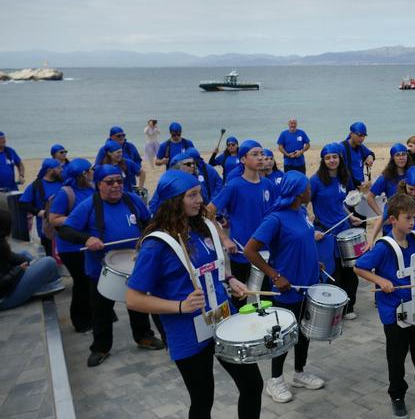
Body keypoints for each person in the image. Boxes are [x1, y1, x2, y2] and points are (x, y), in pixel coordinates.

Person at [126, 170, 261, 419]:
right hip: (187, 332)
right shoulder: (156, 244)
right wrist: (179, 306)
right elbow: (133, 299)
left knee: (253, 384)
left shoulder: (203, 227)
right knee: (202, 400)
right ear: (174, 200)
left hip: (222, 319)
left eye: (199, 193)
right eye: (192, 195)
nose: (200, 200)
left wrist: (230, 279)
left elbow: (217, 266)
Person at [57, 164, 165, 366]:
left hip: (134, 265)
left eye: (119, 181)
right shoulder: (88, 205)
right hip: (101, 269)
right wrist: (87, 238)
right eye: (110, 182)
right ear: (99, 184)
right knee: (101, 310)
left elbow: (148, 222)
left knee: (138, 304)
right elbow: (65, 231)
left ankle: (144, 336)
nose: (116, 185)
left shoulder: (133, 200)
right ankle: (101, 347)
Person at [354, 194, 415, 418]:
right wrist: (381, 281)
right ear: (393, 220)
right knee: (396, 357)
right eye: (408, 218)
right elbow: (359, 267)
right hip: (394, 313)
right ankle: (397, 395)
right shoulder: (383, 247)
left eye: (414, 217)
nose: (412, 222)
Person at [244, 171, 325, 402]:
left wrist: (314, 261)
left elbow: (304, 241)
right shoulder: (275, 219)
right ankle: (275, 380)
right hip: (287, 288)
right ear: (300, 193)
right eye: (308, 188)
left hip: (308, 283)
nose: (311, 191)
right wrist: (275, 275)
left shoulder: (300, 212)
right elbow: (250, 250)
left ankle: (299, 372)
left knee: (304, 331)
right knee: (283, 335)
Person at [207, 140, 276, 304]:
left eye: (262, 154)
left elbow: (274, 214)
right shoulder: (234, 185)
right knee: (240, 297)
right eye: (255, 154)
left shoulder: (268, 185)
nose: (260, 158)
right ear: (243, 159)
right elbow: (208, 212)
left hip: (265, 252)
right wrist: (224, 238)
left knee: (265, 296)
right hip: (241, 252)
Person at [309, 143, 363, 318]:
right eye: (328, 157)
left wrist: (350, 216)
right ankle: (334, 311)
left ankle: (349, 307)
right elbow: (302, 205)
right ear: (323, 160)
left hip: (344, 230)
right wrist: (311, 228)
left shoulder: (343, 178)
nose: (332, 160)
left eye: (335, 157)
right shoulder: (315, 180)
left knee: (351, 271)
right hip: (325, 233)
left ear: (340, 158)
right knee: (333, 273)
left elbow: (341, 203)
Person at [47, 159, 95, 332]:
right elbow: (54, 218)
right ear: (83, 173)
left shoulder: (92, 188)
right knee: (82, 282)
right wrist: (81, 217)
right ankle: (80, 321)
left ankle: (95, 315)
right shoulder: (65, 193)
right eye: (90, 170)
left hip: (89, 244)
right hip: (71, 247)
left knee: (93, 280)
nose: (93, 172)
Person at [0, 211, 64, 311]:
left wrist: (33, 265)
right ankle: (47, 283)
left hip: (8, 284)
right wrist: (19, 270)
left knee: (25, 254)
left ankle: (42, 280)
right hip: (4, 298)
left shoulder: (1, 243)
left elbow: (13, 257)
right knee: (49, 262)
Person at [369, 166, 415, 247]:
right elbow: (381, 219)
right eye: (411, 189)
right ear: (405, 184)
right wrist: (371, 239)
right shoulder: (397, 199)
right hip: (400, 245)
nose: (414, 193)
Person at [20, 158, 63, 257]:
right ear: (49, 170)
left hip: (62, 226)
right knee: (50, 255)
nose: (61, 170)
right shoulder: (36, 185)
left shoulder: (63, 182)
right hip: (46, 229)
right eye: (58, 168)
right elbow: (23, 203)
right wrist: (38, 212)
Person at [366, 143, 410, 216]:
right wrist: (381, 216)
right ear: (393, 158)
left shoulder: (412, 174)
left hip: (410, 215)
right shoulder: (386, 177)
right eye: (398, 155)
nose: (401, 157)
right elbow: (370, 197)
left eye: (403, 154)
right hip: (392, 217)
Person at [341, 122, 375, 190]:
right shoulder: (342, 148)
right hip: (347, 189)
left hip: (360, 188)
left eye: (364, 136)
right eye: (359, 135)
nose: (362, 138)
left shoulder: (360, 147)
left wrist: (370, 157)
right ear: (351, 134)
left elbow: (371, 153)